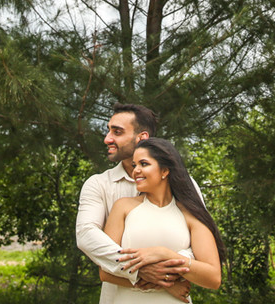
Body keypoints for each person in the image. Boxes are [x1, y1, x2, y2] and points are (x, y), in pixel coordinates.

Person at [76, 104, 199, 303]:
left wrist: (166, 268)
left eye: (117, 132)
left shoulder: (185, 184)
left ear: (141, 138)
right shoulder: (98, 184)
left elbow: (200, 242)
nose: (107, 139)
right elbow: (86, 235)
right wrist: (141, 270)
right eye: (108, 131)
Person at [100, 138, 225, 302]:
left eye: (144, 164)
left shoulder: (190, 214)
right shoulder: (122, 208)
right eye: (134, 165)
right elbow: (105, 271)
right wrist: (166, 284)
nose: (136, 171)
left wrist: (165, 254)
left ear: (165, 170)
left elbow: (213, 278)